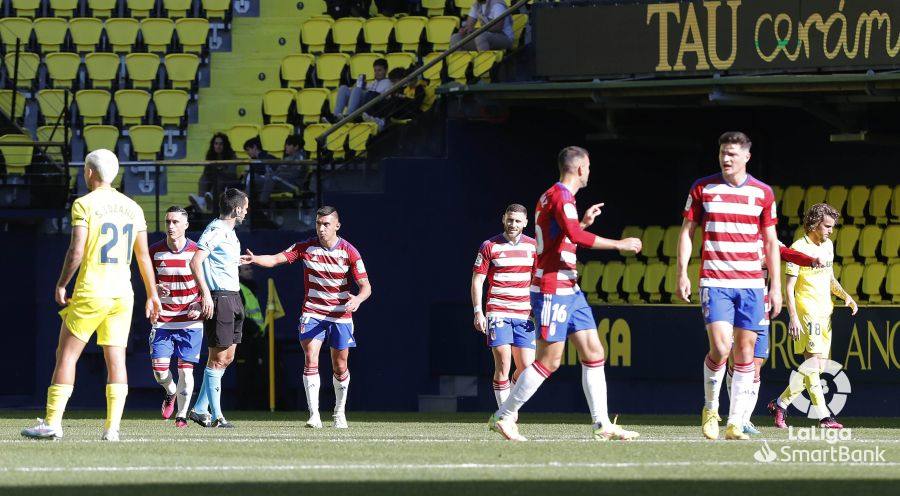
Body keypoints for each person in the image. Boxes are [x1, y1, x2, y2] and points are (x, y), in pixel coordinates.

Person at [488, 146, 642, 442]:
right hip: (553, 287)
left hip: (570, 287)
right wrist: (619, 244)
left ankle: (602, 424)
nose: (589, 172)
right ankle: (504, 416)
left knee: (594, 352)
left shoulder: (552, 197)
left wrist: (582, 223)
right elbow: (575, 237)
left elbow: (564, 236)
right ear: (581, 168)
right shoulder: (561, 195)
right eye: (589, 167)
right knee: (550, 360)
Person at [22, 149, 161, 441]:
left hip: (92, 290)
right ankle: (112, 429)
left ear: (89, 173)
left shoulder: (84, 204)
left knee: (66, 356)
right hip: (123, 293)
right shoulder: (133, 207)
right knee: (117, 360)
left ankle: (52, 422)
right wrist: (152, 294)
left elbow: (76, 250)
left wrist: (62, 283)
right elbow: (144, 258)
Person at [678, 131, 781, 441]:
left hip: (751, 284)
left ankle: (735, 422)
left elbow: (771, 242)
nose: (726, 158)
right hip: (715, 279)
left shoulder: (763, 193)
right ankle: (711, 408)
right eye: (723, 152)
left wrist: (775, 286)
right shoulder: (702, 187)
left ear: (746, 157)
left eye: (733, 153)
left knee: (745, 351)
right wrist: (681, 272)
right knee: (722, 347)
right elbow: (687, 231)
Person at [241, 206, 372, 429]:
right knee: (311, 358)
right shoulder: (306, 247)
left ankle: (339, 413)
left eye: (327, 224)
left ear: (337, 226)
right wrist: (254, 259)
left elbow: (366, 286)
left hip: (341, 316)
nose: (322, 228)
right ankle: (314, 415)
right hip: (312, 312)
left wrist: (358, 299)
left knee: (340, 365)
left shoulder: (350, 252)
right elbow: (275, 259)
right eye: (319, 224)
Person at [768, 203, 858, 429]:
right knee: (813, 365)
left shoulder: (827, 246)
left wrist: (845, 295)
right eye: (827, 226)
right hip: (806, 311)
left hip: (825, 311)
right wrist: (793, 317)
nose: (830, 231)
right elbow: (789, 287)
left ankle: (780, 404)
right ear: (814, 223)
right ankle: (824, 416)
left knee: (816, 368)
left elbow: (829, 278)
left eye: (832, 227)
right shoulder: (798, 248)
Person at [724, 240, 821, 435]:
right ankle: (734, 417)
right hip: (737, 308)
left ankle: (745, 419)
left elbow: (787, 253)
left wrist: (810, 261)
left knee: (756, 366)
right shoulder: (738, 238)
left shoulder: (769, 241)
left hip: (761, 310)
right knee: (736, 363)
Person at [188, 188, 250, 429]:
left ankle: (200, 408)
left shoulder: (230, 233)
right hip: (220, 298)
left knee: (228, 357)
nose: (246, 210)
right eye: (244, 207)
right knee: (217, 359)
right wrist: (205, 294)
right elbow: (196, 261)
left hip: (233, 296)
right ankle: (217, 416)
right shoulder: (215, 230)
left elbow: (218, 263)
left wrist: (237, 262)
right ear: (236, 209)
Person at [471, 204, 537, 413]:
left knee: (527, 367)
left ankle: (507, 409)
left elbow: (538, 280)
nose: (513, 224)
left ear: (525, 223)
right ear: (503, 219)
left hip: (524, 313)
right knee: (503, 364)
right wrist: (478, 311)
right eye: (510, 220)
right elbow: (477, 281)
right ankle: (505, 416)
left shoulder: (533, 247)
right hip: (498, 311)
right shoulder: (489, 245)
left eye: (518, 221)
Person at [148, 206, 203, 428]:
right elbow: (147, 280)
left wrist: (200, 303)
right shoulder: (154, 251)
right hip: (163, 319)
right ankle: (170, 392)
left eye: (176, 222)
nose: (171, 226)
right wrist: (154, 289)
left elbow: (205, 283)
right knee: (160, 372)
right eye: (168, 222)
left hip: (190, 320)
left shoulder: (197, 251)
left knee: (185, 370)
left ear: (186, 225)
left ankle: (181, 416)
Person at [191, 133, 239, 214]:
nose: (218, 146)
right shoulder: (210, 155)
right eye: (216, 143)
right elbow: (206, 172)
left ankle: (211, 199)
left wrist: (219, 170)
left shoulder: (231, 156)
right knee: (203, 178)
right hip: (214, 179)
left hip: (228, 181)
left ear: (225, 145)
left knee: (219, 178)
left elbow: (231, 173)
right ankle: (201, 201)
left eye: (221, 144)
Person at [450, 0, 514, 52]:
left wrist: (476, 30)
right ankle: (464, 65)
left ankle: (485, 65)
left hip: (504, 37)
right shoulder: (476, 5)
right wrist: (464, 30)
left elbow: (497, 28)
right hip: (487, 36)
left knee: (481, 36)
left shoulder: (497, 5)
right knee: (456, 37)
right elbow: (469, 26)